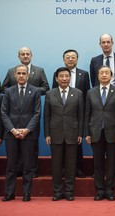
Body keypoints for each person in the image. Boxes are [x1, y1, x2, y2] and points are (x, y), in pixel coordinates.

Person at [1, 47, 50, 178]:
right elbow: (3, 87)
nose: (25, 56)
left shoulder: (39, 71)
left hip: (31, 111)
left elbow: (46, 88)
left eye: (27, 54)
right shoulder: (12, 71)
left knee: (32, 145)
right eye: (22, 54)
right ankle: (17, 170)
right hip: (14, 113)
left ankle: (32, 171)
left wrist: (32, 91)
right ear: (19, 56)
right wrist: (13, 93)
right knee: (14, 148)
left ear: (31, 55)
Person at [90, 33, 115, 178]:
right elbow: (94, 80)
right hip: (99, 100)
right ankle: (99, 171)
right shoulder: (95, 60)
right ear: (99, 44)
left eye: (108, 42)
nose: (106, 44)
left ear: (113, 43)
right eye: (103, 42)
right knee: (100, 140)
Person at [85, 66, 115, 201]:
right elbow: (87, 114)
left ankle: (110, 190)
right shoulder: (91, 92)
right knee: (98, 163)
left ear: (111, 76)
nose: (103, 75)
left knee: (112, 163)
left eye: (106, 73)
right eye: (101, 73)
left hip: (113, 131)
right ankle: (100, 190)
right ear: (97, 76)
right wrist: (87, 133)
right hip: (95, 131)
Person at [1, 64, 41, 202]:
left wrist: (26, 130)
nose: (21, 76)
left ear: (28, 75)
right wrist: (12, 130)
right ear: (15, 75)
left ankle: (26, 193)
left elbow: (37, 113)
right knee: (11, 166)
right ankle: (9, 193)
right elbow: (4, 113)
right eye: (19, 73)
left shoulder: (35, 91)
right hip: (10, 134)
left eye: (24, 73)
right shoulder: (8, 91)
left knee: (27, 166)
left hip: (28, 134)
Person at [44, 67, 84, 201]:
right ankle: (57, 191)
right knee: (56, 165)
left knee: (70, 165)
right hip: (55, 134)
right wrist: (47, 134)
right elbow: (47, 116)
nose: (64, 79)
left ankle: (69, 191)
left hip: (72, 133)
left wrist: (80, 133)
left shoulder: (78, 93)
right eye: (61, 76)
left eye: (66, 76)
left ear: (70, 78)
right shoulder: (50, 94)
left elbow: (81, 115)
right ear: (56, 78)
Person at [52, 49, 90, 178]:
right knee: (62, 145)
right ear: (64, 59)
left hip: (77, 113)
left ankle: (78, 168)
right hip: (61, 114)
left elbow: (87, 94)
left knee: (77, 144)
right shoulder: (57, 74)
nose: (70, 59)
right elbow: (54, 94)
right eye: (67, 57)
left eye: (73, 57)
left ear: (77, 59)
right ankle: (63, 169)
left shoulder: (84, 74)